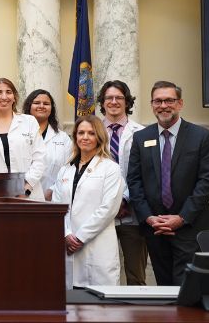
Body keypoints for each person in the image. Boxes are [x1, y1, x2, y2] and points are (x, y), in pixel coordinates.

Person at [128, 80, 209, 286]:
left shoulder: (201, 136)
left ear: (180, 103)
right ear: (152, 104)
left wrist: (182, 217)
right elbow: (134, 181)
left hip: (190, 227)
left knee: (188, 289)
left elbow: (207, 181)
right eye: (158, 101)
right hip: (155, 228)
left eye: (169, 100)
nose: (163, 105)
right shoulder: (141, 137)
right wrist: (149, 217)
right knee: (164, 287)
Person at [52, 115, 123, 288]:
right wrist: (66, 233)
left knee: (99, 306)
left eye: (91, 133)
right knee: (71, 303)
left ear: (99, 137)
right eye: (81, 133)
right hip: (68, 242)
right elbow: (56, 205)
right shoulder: (65, 170)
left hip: (96, 245)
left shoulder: (110, 168)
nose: (85, 137)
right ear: (75, 136)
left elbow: (108, 209)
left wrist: (80, 237)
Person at [96, 80, 147, 285]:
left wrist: (124, 201)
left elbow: (145, 174)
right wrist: (111, 204)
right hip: (100, 212)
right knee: (101, 274)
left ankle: (137, 316)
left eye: (119, 98)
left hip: (132, 213)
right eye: (109, 98)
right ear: (103, 102)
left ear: (127, 102)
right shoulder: (91, 131)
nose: (114, 102)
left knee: (135, 275)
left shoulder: (142, 133)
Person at [22, 89, 71, 199]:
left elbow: (69, 170)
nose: (41, 106)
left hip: (53, 198)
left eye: (46, 104)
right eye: (36, 103)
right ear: (29, 106)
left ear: (51, 109)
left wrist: (52, 191)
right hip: (23, 196)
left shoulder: (63, 138)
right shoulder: (18, 135)